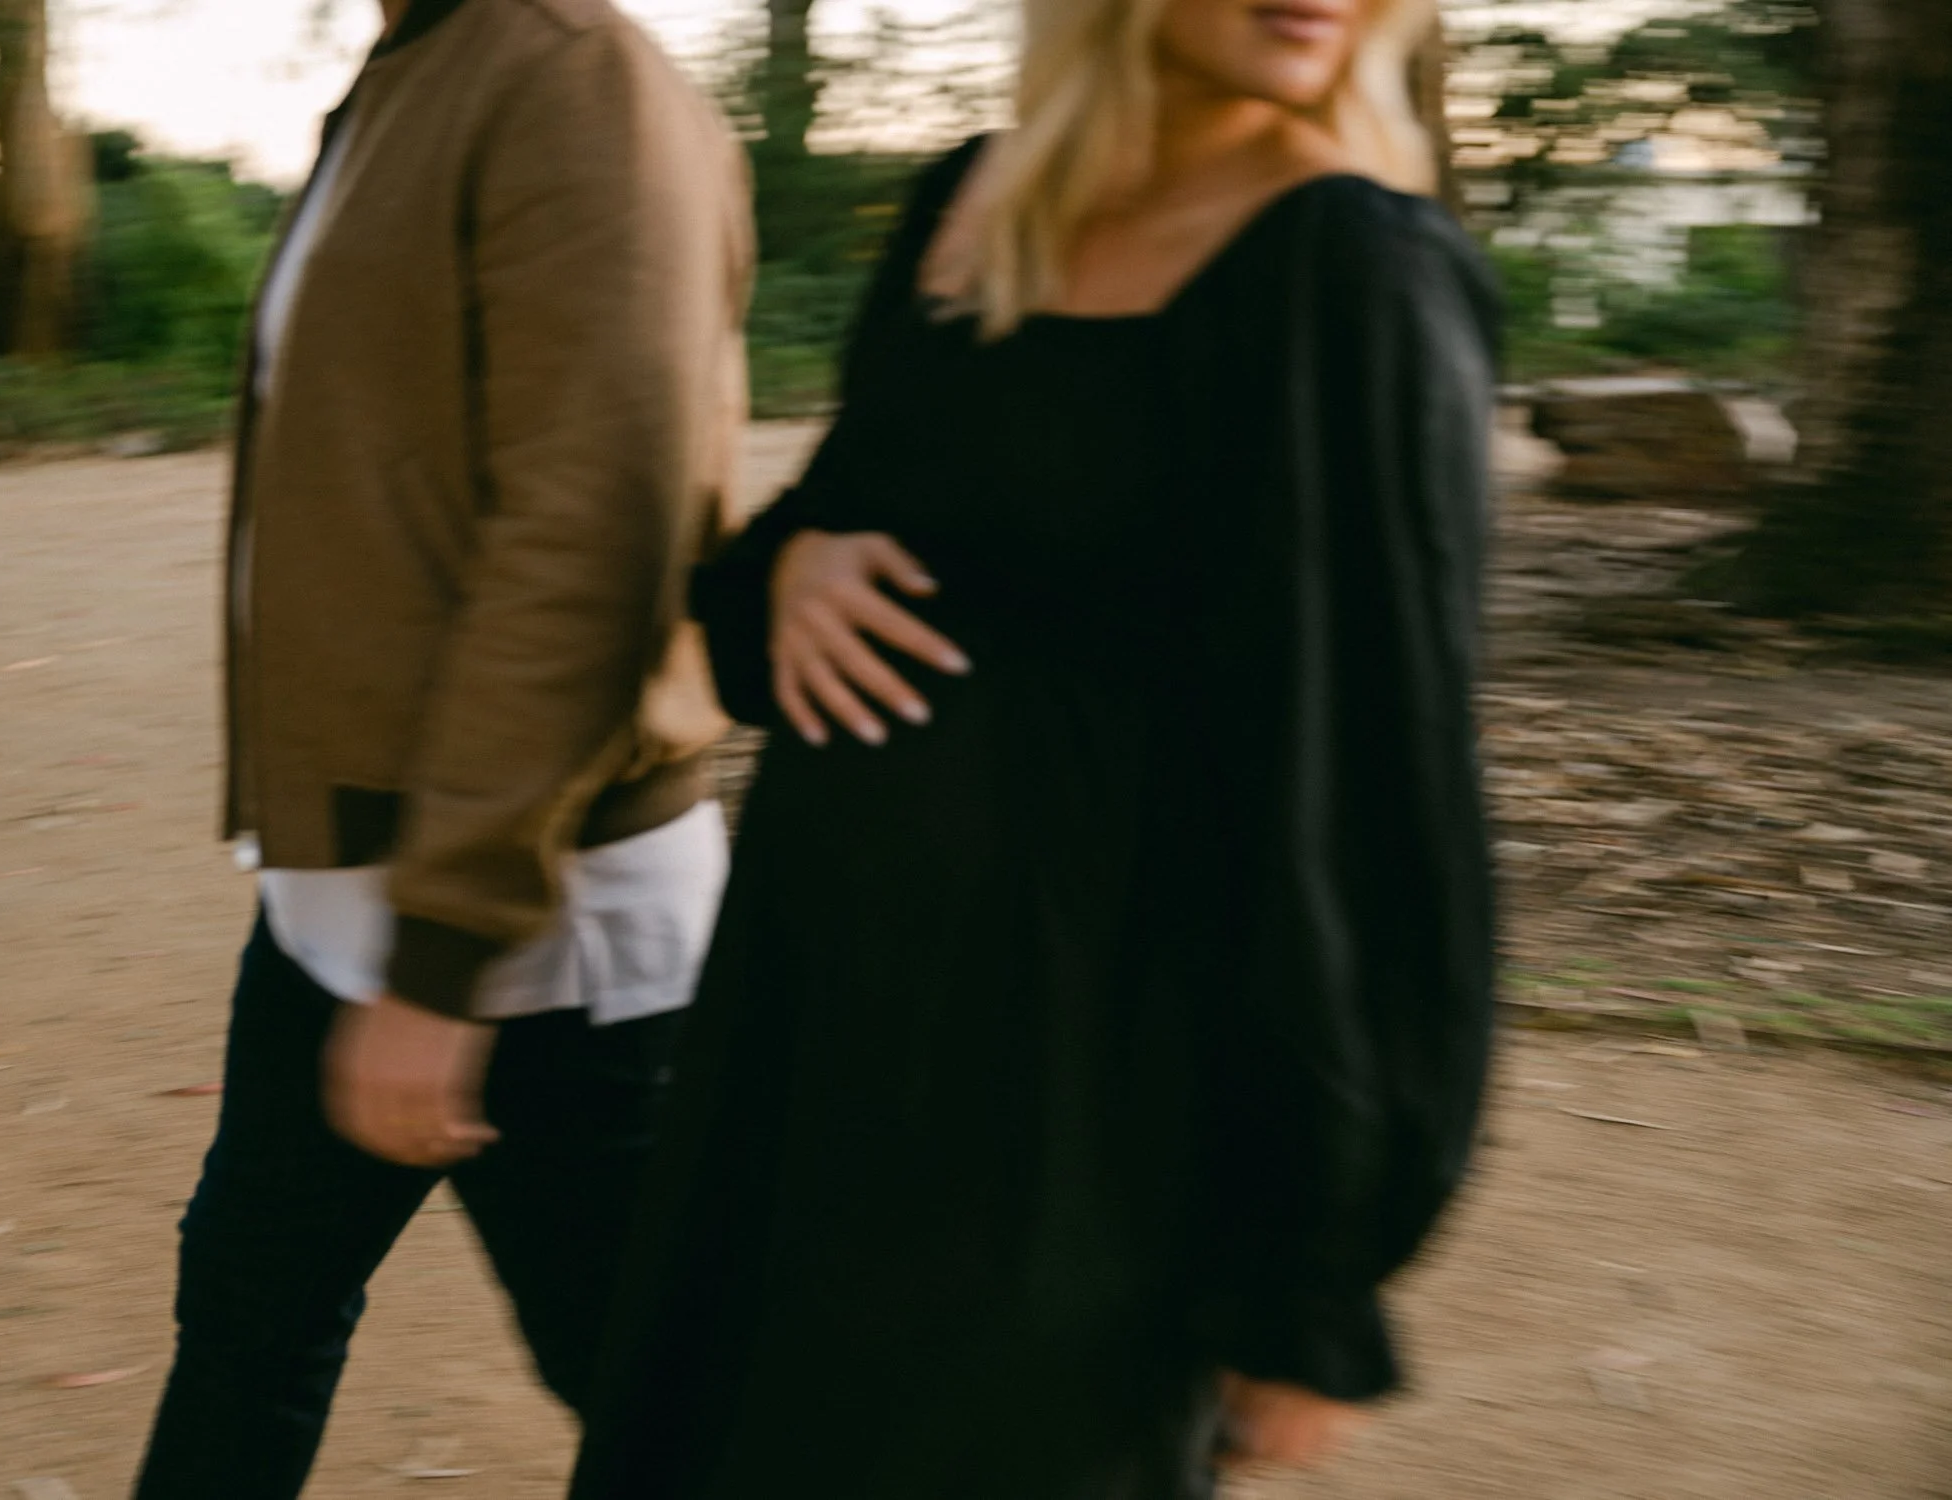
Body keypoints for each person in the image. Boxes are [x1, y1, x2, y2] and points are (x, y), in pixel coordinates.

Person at [568, 0, 1497, 1496]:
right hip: (808, 1054)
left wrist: (1311, 1268)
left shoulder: (1352, 268)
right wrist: (794, 567)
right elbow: (815, 536)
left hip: (1086, 1122)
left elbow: (1377, 792)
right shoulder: (968, 201)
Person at [128, 0, 751, 1492]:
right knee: (248, 1320)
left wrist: (447, 955)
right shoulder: (420, 66)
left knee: (661, 1399)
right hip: (342, 900)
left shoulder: (571, 76)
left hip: (540, 934)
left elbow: (594, 528)